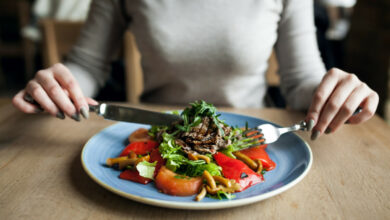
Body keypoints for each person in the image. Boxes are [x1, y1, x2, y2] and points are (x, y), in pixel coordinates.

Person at [12, 0, 378, 140]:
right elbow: (88, 65)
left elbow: (301, 81)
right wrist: (59, 85)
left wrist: (335, 92)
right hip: (155, 133)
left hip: (250, 137)